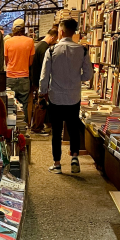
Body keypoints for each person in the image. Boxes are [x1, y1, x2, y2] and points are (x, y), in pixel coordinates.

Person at [39, 18, 93, 174]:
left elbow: (44, 76)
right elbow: (88, 74)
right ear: (74, 32)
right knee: (73, 128)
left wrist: (42, 93)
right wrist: (76, 79)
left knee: (56, 131)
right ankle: (75, 157)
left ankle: (57, 163)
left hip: (56, 97)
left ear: (61, 32)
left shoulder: (51, 50)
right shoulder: (82, 50)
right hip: (73, 96)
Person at [4, 18, 34, 123]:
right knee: (23, 105)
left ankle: (11, 130)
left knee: (10, 106)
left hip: (10, 77)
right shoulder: (30, 41)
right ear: (24, 29)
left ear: (13, 29)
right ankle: (23, 130)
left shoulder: (7, 42)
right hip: (24, 77)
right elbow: (30, 62)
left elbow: (6, 61)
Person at [30, 27, 59, 134]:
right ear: (52, 38)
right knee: (41, 104)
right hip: (42, 81)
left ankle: (39, 126)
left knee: (41, 104)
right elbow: (45, 68)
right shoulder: (45, 49)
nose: (55, 42)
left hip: (37, 79)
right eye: (55, 40)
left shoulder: (38, 45)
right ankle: (37, 127)